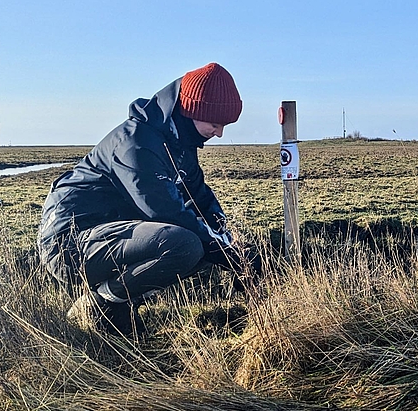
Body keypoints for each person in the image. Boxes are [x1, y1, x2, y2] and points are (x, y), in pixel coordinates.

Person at [37, 63, 258, 336]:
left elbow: (198, 195)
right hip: (70, 245)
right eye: (215, 123)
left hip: (112, 237)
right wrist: (221, 251)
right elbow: (164, 210)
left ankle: (120, 304)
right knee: (185, 244)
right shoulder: (136, 143)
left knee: (199, 247)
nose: (220, 133)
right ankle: (101, 304)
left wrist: (229, 241)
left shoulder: (179, 144)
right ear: (192, 110)